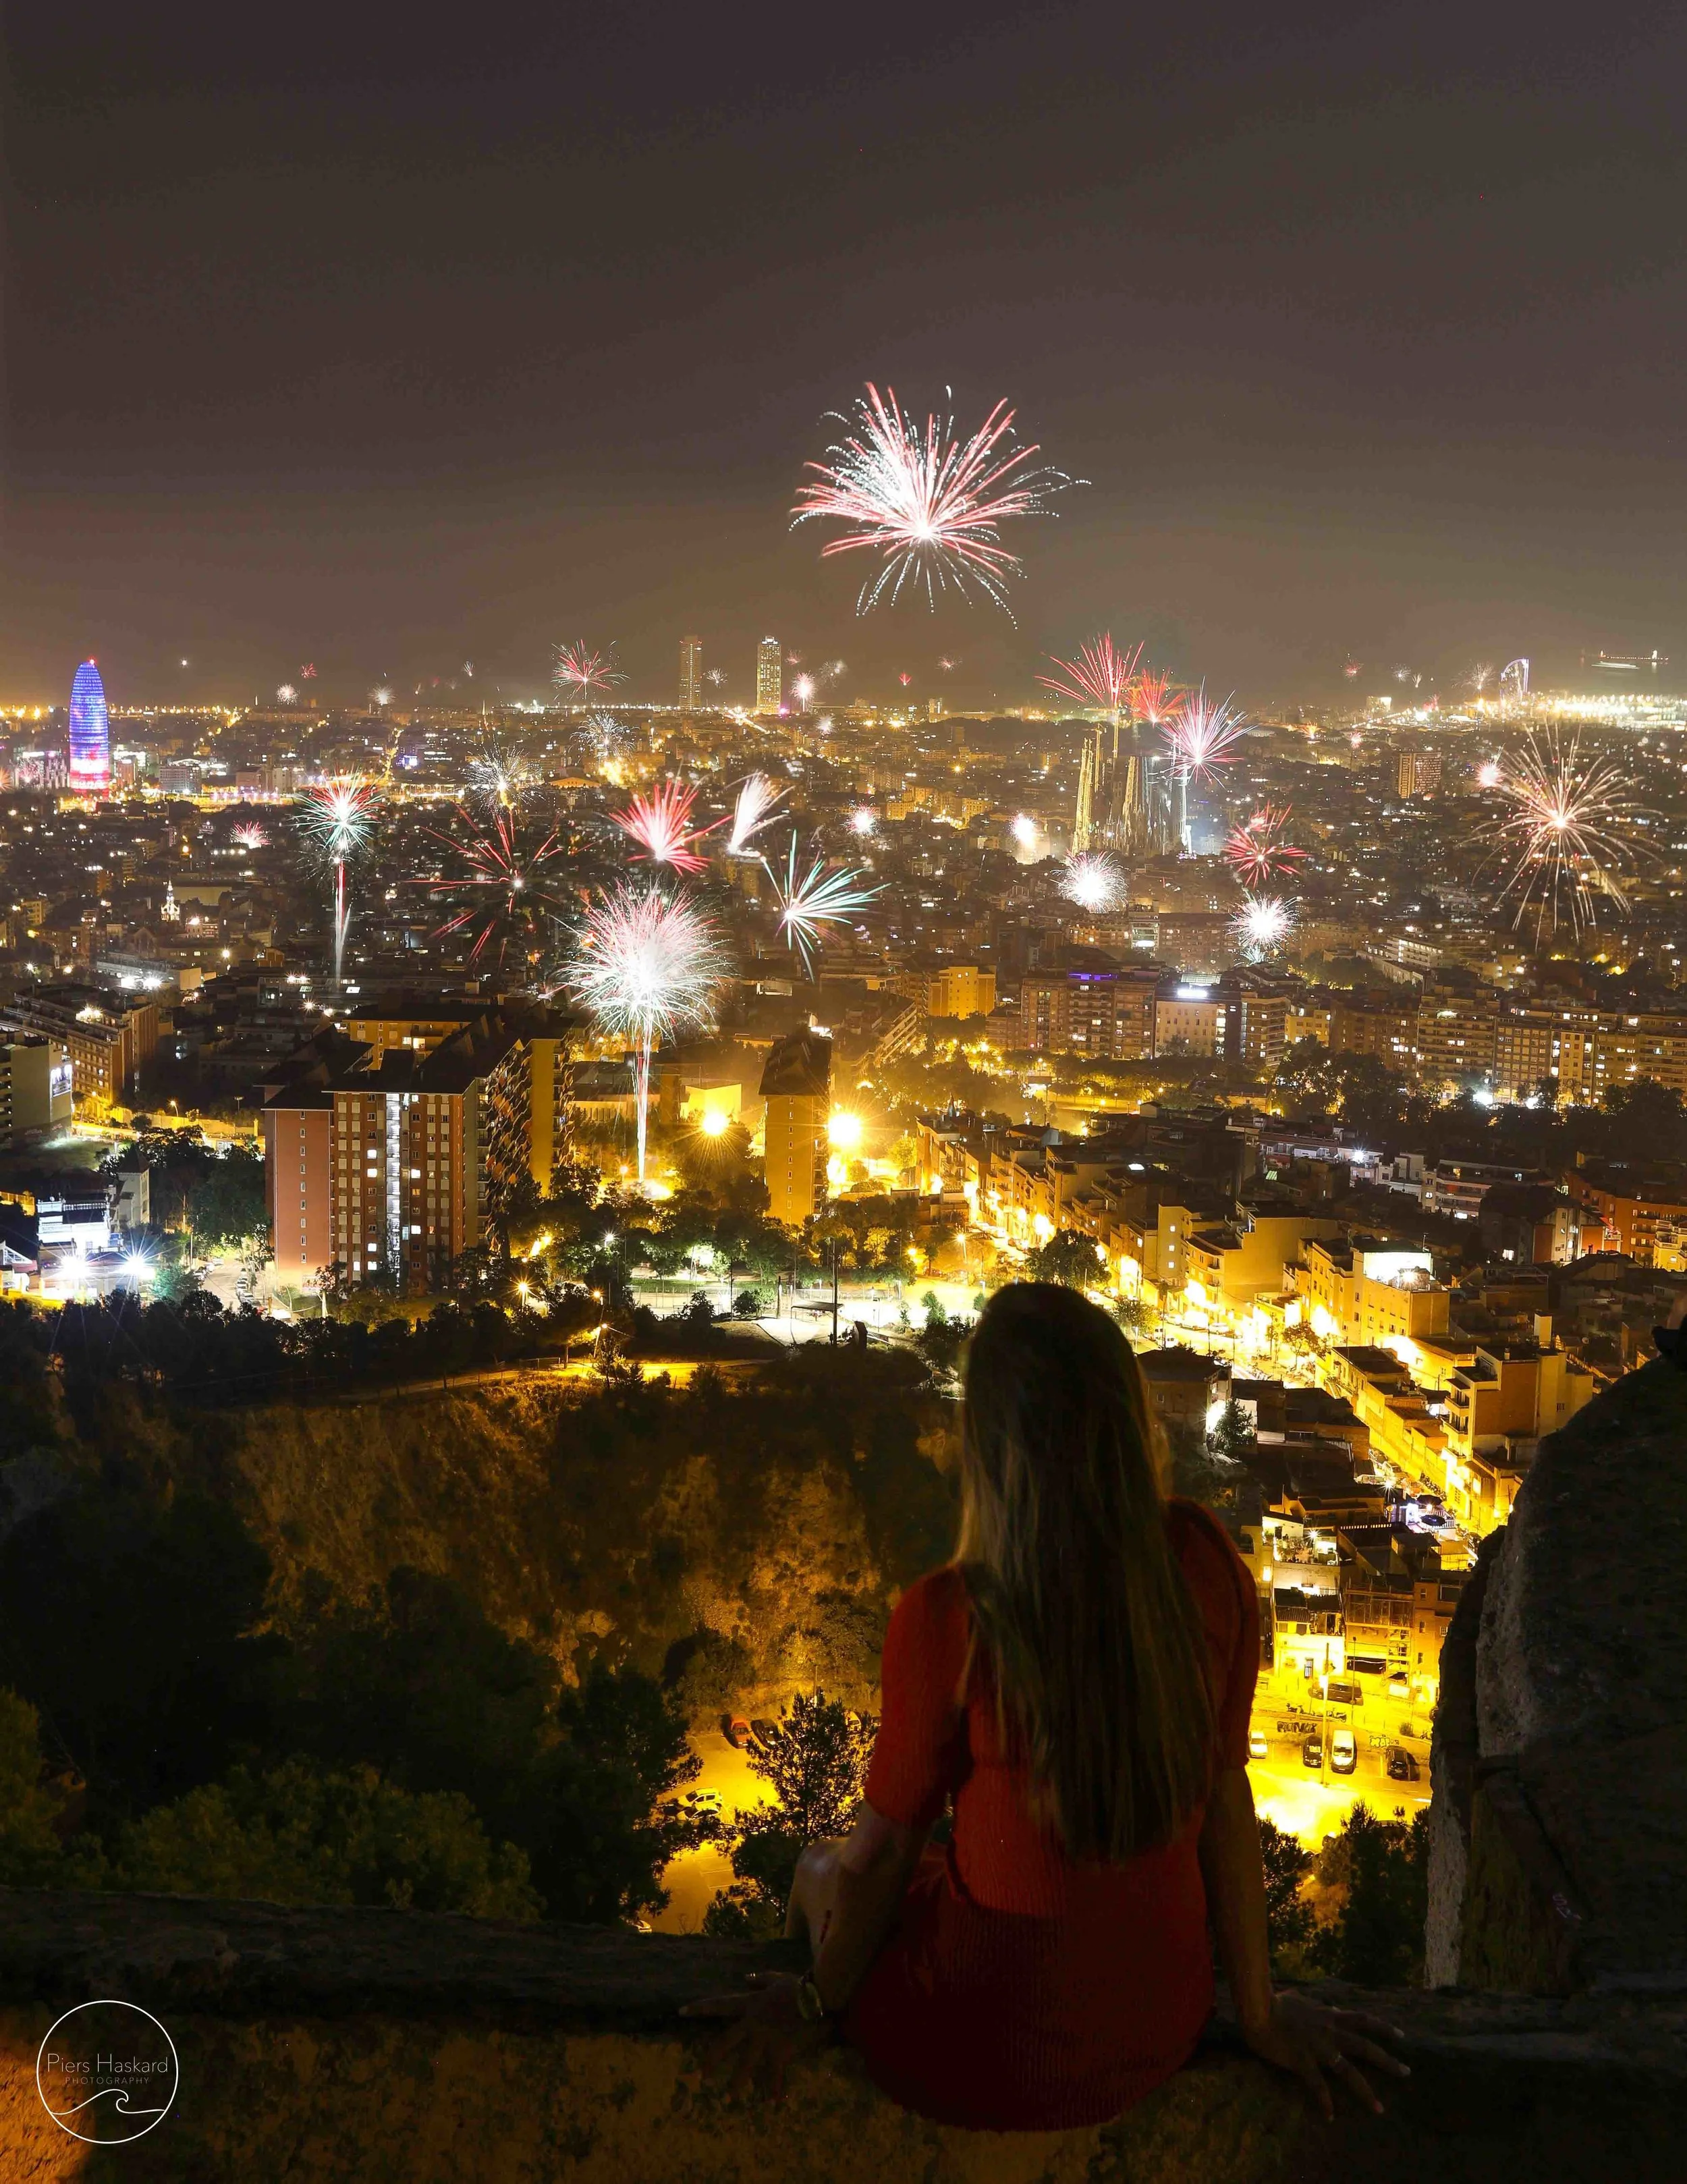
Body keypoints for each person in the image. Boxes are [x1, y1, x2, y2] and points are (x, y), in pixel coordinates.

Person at [683, 1283, 1408, 2128]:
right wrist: (1260, 2009)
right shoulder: (1204, 1565)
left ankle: (810, 2010)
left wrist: (811, 2004)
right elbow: (1223, 1796)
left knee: (819, 1865)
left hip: (983, 2040)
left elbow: (879, 1855)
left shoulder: (955, 1615)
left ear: (991, 1444)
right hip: (1154, 2026)